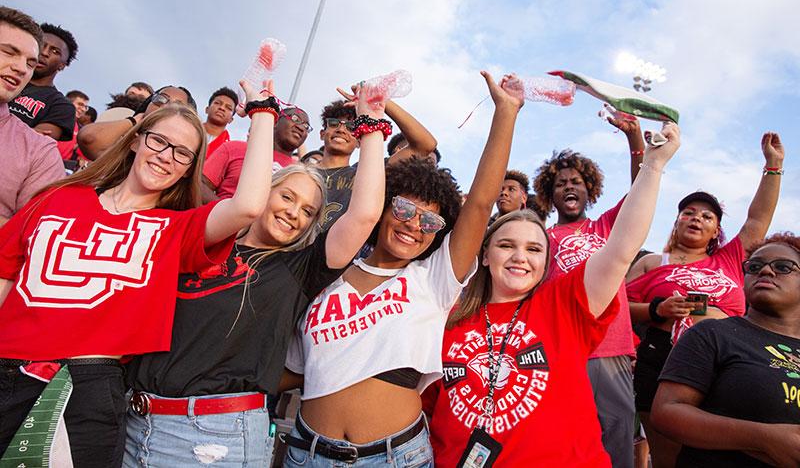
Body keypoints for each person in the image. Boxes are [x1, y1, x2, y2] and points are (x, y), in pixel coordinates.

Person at [0, 80, 277, 467]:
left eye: (183, 154)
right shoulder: (57, 197)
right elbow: (5, 275)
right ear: (135, 141)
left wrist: (263, 112)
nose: (166, 157)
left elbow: (248, 205)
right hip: (5, 367)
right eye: (159, 141)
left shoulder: (175, 228)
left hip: (86, 390)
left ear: (189, 170)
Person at [124, 81, 386, 467]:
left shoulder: (299, 269)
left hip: (213, 440)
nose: (294, 212)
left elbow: (363, 215)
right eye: (287, 197)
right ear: (263, 192)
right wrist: (262, 110)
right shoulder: (203, 236)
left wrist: (372, 125)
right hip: (133, 421)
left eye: (308, 211)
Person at [282, 72, 524, 467]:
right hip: (306, 453)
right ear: (383, 206)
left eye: (430, 222)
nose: (415, 225)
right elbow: (289, 369)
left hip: (395, 457)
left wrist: (506, 113)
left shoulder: (433, 279)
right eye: (405, 210)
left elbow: (480, 203)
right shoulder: (328, 270)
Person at [425, 122, 680, 467]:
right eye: (506, 245)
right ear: (485, 255)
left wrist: (653, 166)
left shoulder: (562, 306)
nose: (519, 256)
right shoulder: (446, 316)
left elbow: (622, 248)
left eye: (533, 249)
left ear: (546, 263)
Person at [626, 132, 783, 468]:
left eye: (707, 216)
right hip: (664, 358)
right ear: (677, 220)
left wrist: (773, 166)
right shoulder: (652, 262)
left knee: (729, 451)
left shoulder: (728, 259)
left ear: (716, 232)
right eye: (689, 212)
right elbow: (613, 311)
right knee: (669, 458)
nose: (696, 218)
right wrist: (656, 309)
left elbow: (756, 221)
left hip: (732, 359)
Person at [531, 115, 645, 468]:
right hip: (562, 351)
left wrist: (635, 141)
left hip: (609, 350)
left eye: (577, 182)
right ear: (550, 194)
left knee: (615, 440)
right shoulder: (541, 240)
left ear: (589, 190)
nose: (569, 186)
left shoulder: (607, 226)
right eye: (561, 182)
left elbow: (643, 189)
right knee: (563, 443)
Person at [650, 232, 800, 467]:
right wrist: (764, 439)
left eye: (783, 266)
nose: (766, 271)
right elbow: (666, 412)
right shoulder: (712, 334)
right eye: (754, 266)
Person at [316, 97, 437, 229]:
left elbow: (425, 145)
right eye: (334, 123)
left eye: (351, 127)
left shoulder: (365, 175)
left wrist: (381, 99)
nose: (341, 130)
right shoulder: (299, 172)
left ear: (359, 142)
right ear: (322, 134)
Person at [0, 6, 64, 228]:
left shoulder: (39, 152)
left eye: (30, 63)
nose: (21, 68)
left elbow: (31, 237)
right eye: (9, 51)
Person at [77, 84, 197, 160]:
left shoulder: (178, 155)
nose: (164, 105)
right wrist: (136, 119)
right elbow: (89, 138)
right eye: (160, 98)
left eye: (176, 105)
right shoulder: (127, 142)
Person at [7, 22, 78, 141]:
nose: (44, 53)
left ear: (62, 65)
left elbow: (33, 142)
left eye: (55, 51)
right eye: (41, 45)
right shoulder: (6, 77)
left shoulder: (61, 105)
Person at [203, 86, 238, 157]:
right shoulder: (188, 132)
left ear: (231, 119)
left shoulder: (230, 151)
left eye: (228, 108)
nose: (222, 108)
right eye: (217, 103)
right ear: (207, 109)